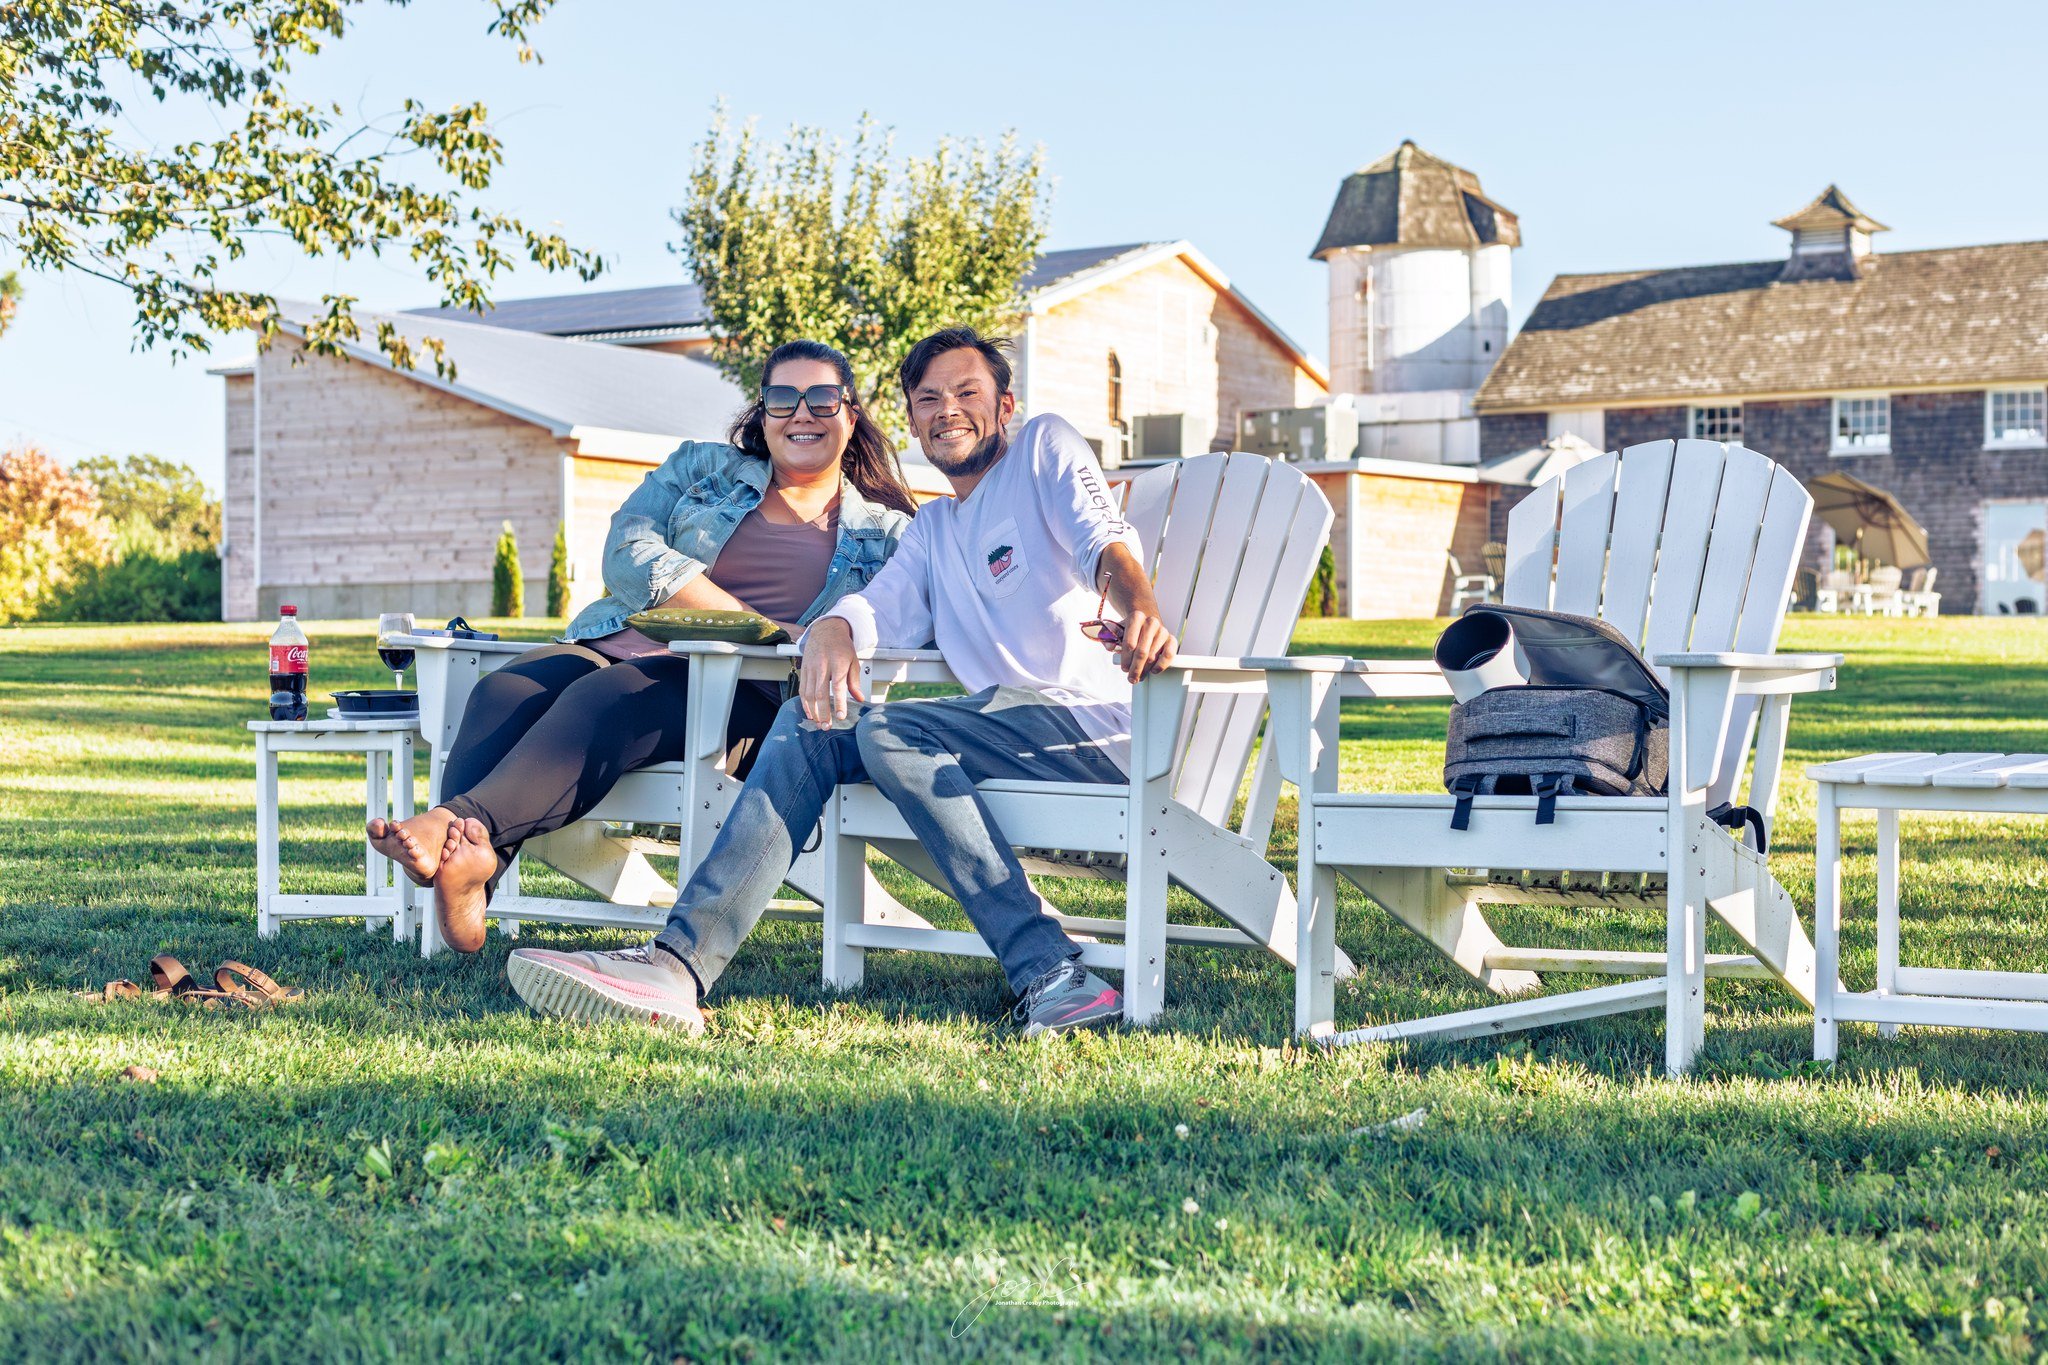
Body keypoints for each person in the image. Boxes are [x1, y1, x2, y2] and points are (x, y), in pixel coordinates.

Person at [502, 327, 1180, 1035]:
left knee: (892, 729)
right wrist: (834, 627)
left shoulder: (1043, 449)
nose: (948, 408)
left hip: (1094, 732)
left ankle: (1054, 972)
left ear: (1005, 404)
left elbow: (1102, 537)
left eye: (967, 391)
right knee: (812, 720)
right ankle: (676, 967)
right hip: (992, 731)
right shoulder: (934, 529)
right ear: (913, 422)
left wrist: (1138, 604)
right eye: (928, 399)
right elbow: (878, 606)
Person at [366, 340, 915, 952]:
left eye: (822, 398)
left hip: (742, 693)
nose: (802, 414)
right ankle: (471, 880)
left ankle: (459, 826)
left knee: (614, 696)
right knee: (506, 688)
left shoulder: (886, 533)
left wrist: (763, 643)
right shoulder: (701, 469)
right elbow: (626, 552)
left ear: (852, 412)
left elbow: (902, 619)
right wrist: (754, 622)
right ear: (763, 413)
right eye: (782, 398)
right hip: (616, 642)